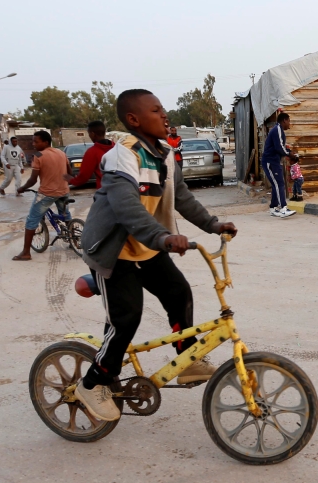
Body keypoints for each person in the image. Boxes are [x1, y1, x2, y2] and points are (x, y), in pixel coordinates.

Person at [73, 89, 238, 422]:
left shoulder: (163, 154)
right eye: (156, 110)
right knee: (126, 319)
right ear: (134, 120)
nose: (165, 116)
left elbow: (183, 198)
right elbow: (127, 208)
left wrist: (212, 224)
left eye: (164, 109)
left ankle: (186, 358)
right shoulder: (123, 156)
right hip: (115, 253)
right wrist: (163, 237)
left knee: (179, 293)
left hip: (147, 248)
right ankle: (92, 384)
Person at [12, 131, 72, 261]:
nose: (33, 144)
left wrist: (22, 188)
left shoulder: (38, 155)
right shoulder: (61, 153)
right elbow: (70, 172)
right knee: (66, 215)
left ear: (45, 142)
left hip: (47, 193)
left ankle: (26, 252)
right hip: (63, 191)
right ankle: (73, 240)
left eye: (36, 141)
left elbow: (33, 180)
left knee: (32, 219)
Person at [262, 112, 296, 218]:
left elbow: (280, 146)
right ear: (284, 120)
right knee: (279, 184)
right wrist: (289, 154)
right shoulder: (277, 130)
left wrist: (289, 152)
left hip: (274, 161)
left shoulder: (278, 130)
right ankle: (283, 208)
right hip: (270, 161)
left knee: (277, 184)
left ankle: (273, 208)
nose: (289, 124)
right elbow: (279, 148)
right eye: (289, 121)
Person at [65, 120, 115, 190]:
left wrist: (71, 180)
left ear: (92, 134)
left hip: (105, 191)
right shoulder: (116, 147)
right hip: (122, 189)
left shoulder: (92, 152)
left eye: (89, 134)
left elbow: (83, 177)